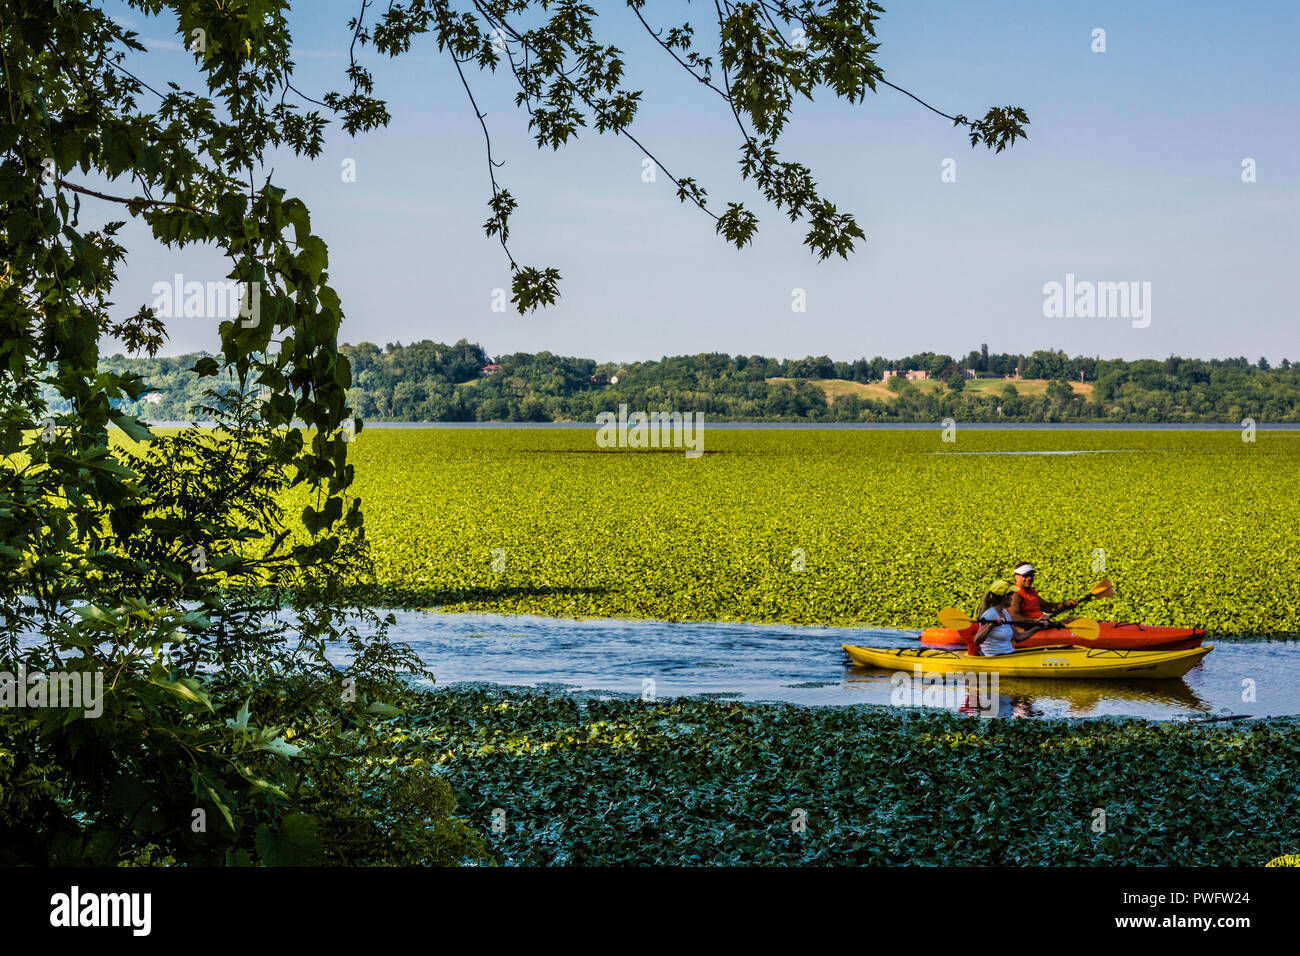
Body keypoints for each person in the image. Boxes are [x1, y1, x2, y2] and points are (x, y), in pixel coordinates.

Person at [970, 580, 1038, 656]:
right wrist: (990, 626)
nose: (1012, 599)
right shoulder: (988, 615)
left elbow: (1017, 637)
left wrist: (1038, 628)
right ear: (1004, 597)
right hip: (994, 657)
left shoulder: (1005, 613)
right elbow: (976, 641)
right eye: (1011, 596)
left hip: (1008, 654)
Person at [1008, 563, 1077, 620]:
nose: (1029, 578)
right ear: (1016, 576)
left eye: (1031, 575)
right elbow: (1013, 617)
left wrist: (1065, 604)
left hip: (1040, 625)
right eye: (1025, 575)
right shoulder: (1014, 594)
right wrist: (1036, 621)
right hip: (1029, 629)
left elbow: (1047, 607)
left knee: (1073, 621)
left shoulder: (1031, 591)